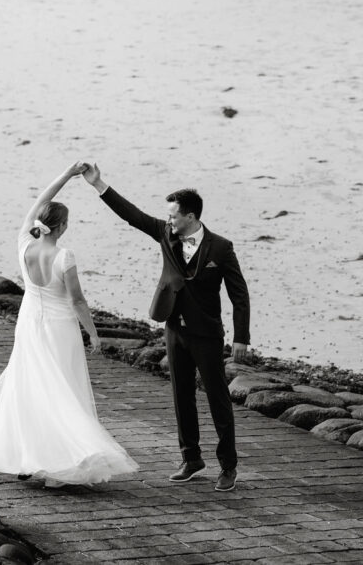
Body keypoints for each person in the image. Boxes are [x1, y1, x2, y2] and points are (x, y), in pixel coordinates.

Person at [81, 163, 250, 492]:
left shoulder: (221, 248)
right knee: (181, 396)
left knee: (218, 399)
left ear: (190, 216)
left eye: (174, 215)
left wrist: (241, 336)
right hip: (174, 329)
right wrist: (98, 183)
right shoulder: (165, 234)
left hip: (206, 334)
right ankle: (191, 459)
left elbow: (239, 294)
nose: (169, 220)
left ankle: (228, 466)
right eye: (168, 216)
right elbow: (132, 215)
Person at [0, 162, 139, 486]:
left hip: (30, 324)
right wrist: (94, 335)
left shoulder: (24, 245)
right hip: (60, 329)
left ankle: (30, 457)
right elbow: (77, 301)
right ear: (60, 227)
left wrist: (66, 174)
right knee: (65, 392)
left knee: (31, 388)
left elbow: (40, 201)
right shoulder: (64, 257)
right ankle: (67, 459)